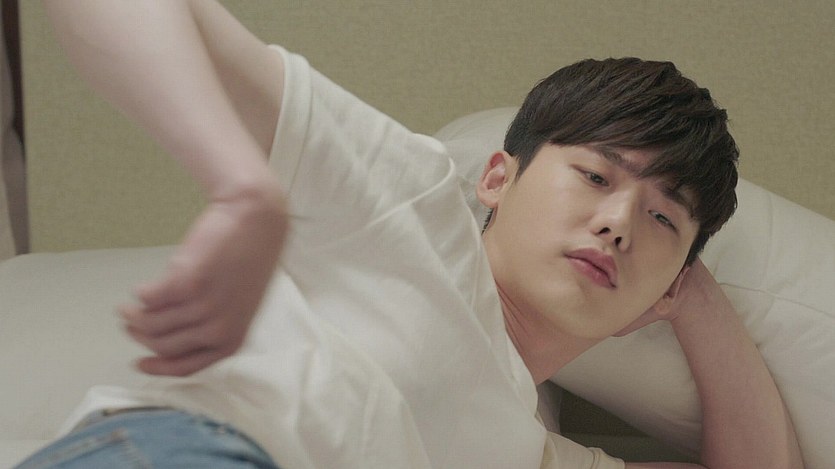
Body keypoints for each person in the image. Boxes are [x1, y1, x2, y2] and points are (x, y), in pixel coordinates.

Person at [18, 1, 802, 468]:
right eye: (595, 176)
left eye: (661, 216)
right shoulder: (411, 207)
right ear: (495, 178)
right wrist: (239, 184)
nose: (617, 222)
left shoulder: (533, 452)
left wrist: (691, 295)